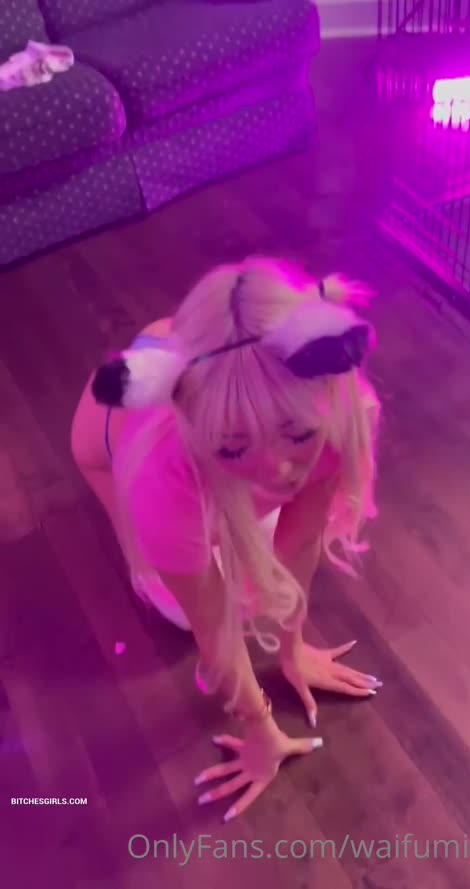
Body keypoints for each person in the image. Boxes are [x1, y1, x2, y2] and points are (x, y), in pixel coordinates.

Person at [70, 255, 382, 823]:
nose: (280, 470)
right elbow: (214, 632)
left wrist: (292, 650)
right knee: (185, 612)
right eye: (236, 446)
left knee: (258, 573)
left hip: (207, 397)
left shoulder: (337, 410)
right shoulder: (162, 478)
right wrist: (261, 729)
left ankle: (203, 392)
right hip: (112, 451)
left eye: (298, 435)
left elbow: (300, 543)